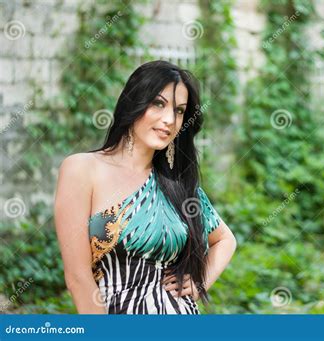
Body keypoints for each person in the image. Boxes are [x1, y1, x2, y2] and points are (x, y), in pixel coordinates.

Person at [54, 60, 237, 314]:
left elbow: (225, 239)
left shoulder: (179, 184)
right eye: (159, 104)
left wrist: (200, 281)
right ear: (134, 102)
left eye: (180, 111)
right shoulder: (82, 169)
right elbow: (78, 277)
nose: (170, 120)